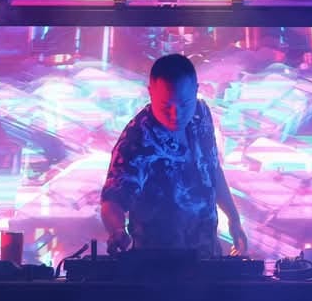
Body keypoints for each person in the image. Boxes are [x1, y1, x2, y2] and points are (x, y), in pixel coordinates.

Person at [100, 53, 248, 256]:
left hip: (208, 256)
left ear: (196, 91)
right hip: (159, 264)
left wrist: (234, 218)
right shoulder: (136, 141)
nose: (176, 114)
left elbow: (212, 169)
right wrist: (117, 231)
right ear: (150, 93)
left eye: (185, 104)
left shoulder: (201, 114)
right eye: (166, 106)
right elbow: (112, 200)